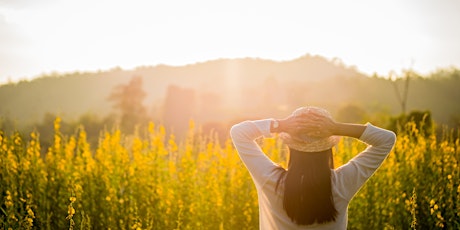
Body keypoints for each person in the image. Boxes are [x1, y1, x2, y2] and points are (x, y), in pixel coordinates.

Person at [230, 106, 396, 229]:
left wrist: (282, 125)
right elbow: (387, 139)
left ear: (290, 146)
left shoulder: (271, 180)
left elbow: (239, 133)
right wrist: (335, 128)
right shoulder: (341, 183)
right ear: (328, 149)